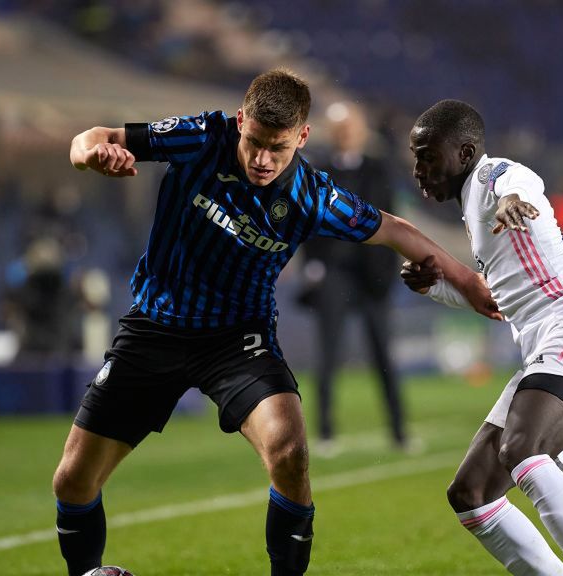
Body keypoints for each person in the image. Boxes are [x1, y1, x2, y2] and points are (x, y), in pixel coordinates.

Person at [53, 70, 500, 576]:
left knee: (290, 452)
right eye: (254, 143)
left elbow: (394, 229)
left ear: (303, 138)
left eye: (278, 148)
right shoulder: (202, 136)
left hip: (237, 340)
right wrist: (92, 155)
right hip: (155, 327)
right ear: (240, 121)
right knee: (72, 481)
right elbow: (92, 138)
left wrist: (468, 281)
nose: (263, 160)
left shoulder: (312, 194)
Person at [401, 100, 563, 576]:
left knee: (523, 449)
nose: (418, 170)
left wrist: (510, 198)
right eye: (414, 157)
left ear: (465, 152)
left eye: (428, 156)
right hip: (550, 340)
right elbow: (496, 301)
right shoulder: (473, 209)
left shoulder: (493, 180)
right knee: (470, 495)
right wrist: (439, 289)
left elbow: (517, 181)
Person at [298, 102, 407, 453]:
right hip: (334, 273)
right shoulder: (320, 171)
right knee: (327, 355)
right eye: (339, 127)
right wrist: (313, 265)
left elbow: (391, 220)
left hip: (372, 275)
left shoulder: (378, 169)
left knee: (383, 356)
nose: (345, 133)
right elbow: (309, 220)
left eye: (350, 126)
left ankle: (399, 432)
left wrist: (389, 271)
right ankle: (326, 432)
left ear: (360, 130)